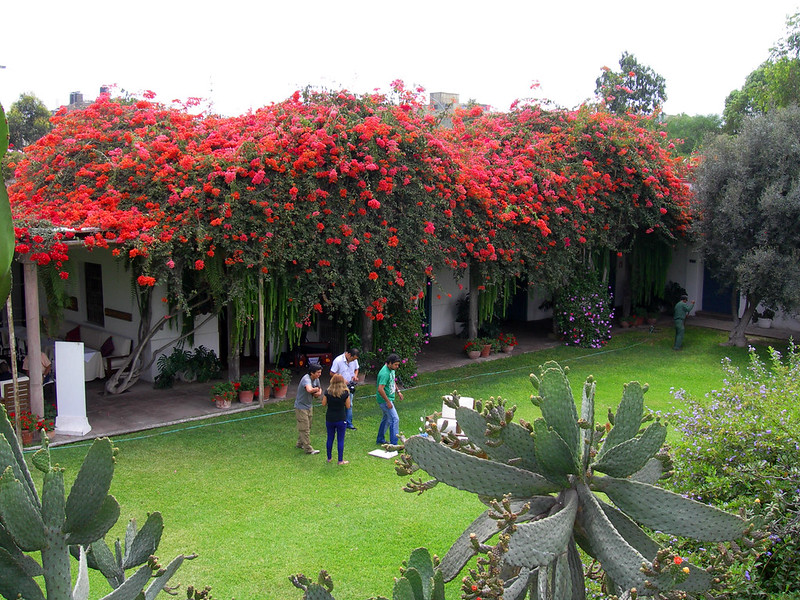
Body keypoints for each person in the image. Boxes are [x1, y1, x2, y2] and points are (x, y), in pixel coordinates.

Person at [322, 373, 351, 465]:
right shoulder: (345, 393)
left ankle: (329, 458)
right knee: (340, 439)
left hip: (330, 418)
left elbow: (323, 404)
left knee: (330, 438)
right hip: (340, 418)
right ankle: (340, 460)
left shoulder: (327, 392)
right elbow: (348, 406)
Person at [375, 353, 403, 446]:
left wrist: (398, 391)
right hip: (384, 400)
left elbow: (392, 380)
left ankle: (380, 439)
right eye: (395, 365)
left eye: (398, 364)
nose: (397, 366)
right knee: (395, 419)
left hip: (389, 398)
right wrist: (388, 402)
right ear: (389, 363)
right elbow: (380, 389)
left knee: (386, 419)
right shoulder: (384, 373)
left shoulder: (391, 370)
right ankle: (394, 444)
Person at [295, 364, 323, 455]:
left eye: (320, 372)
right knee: (305, 428)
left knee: (307, 426)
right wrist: (316, 391)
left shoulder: (316, 379)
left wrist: (318, 392)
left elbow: (319, 390)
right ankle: (308, 449)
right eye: (318, 372)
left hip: (309, 406)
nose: (320, 374)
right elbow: (309, 390)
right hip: (301, 407)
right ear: (312, 373)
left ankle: (300, 443)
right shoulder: (306, 379)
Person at [330, 347, 360, 430]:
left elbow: (356, 369)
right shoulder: (338, 360)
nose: (353, 361)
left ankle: (349, 423)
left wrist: (355, 376)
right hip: (339, 386)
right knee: (339, 404)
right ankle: (337, 423)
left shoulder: (354, 360)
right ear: (349, 355)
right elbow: (332, 373)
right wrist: (342, 379)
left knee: (349, 404)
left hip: (349, 385)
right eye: (353, 359)